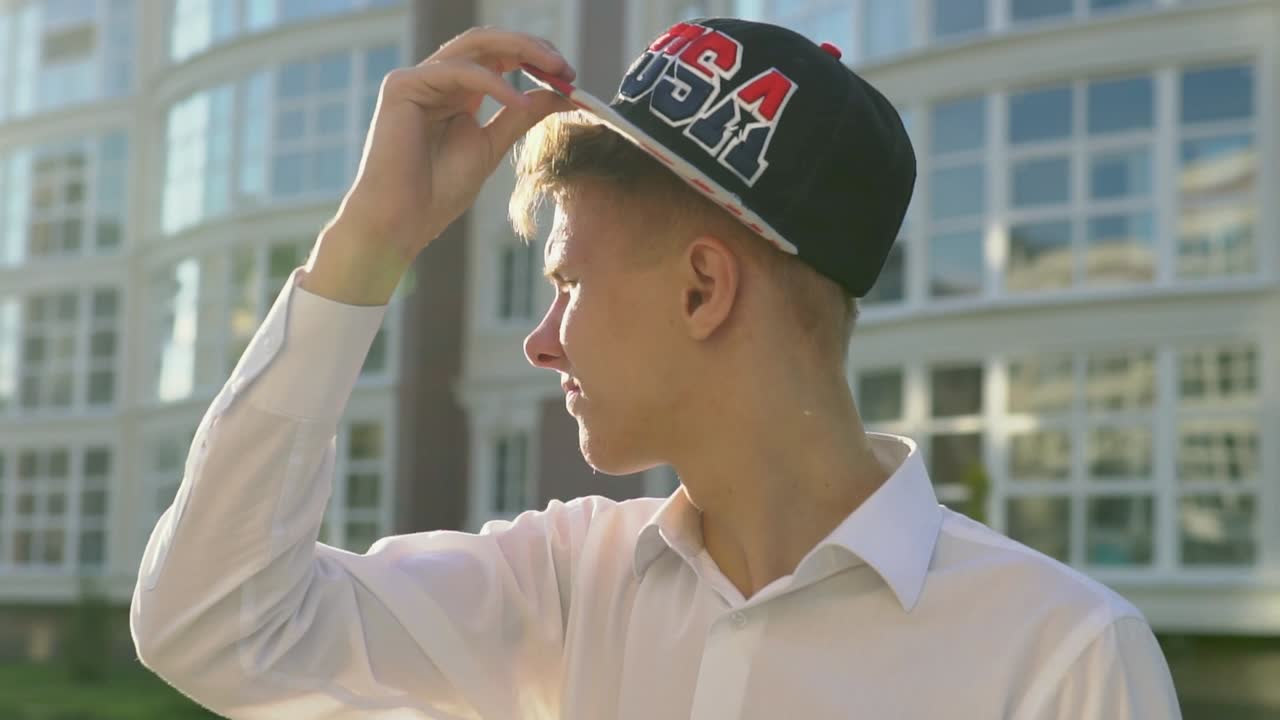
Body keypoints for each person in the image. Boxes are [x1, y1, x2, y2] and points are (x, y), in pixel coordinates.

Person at [132, 18, 1181, 720]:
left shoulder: (1062, 660)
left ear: (701, 290)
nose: (541, 340)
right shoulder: (562, 584)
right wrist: (369, 243)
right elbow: (215, 627)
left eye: (567, 283)